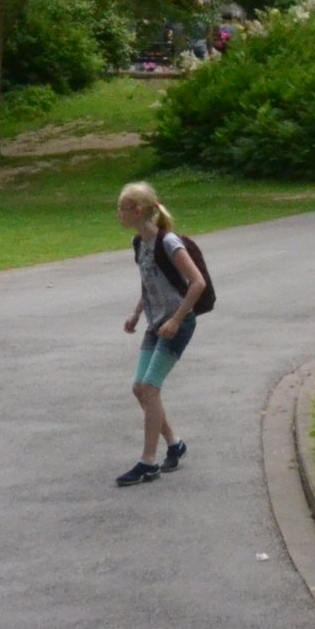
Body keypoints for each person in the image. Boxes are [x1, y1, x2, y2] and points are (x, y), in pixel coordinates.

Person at [114, 181, 209, 487]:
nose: (118, 213)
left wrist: (177, 319)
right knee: (139, 388)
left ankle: (148, 462)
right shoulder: (139, 244)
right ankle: (175, 444)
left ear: (137, 211)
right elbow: (150, 282)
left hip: (177, 324)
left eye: (122, 208)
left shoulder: (169, 243)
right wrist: (136, 313)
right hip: (156, 323)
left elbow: (197, 283)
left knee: (150, 388)